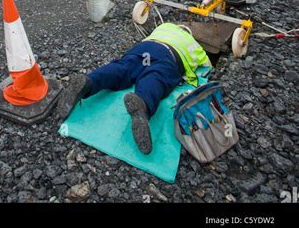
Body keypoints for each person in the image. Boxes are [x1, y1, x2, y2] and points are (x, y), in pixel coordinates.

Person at [57, 22, 212, 155]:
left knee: (122, 69)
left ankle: (89, 82)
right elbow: (206, 66)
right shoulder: (193, 44)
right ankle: (142, 102)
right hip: (169, 56)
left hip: (145, 48)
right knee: (155, 77)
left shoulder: (163, 27)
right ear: (188, 33)